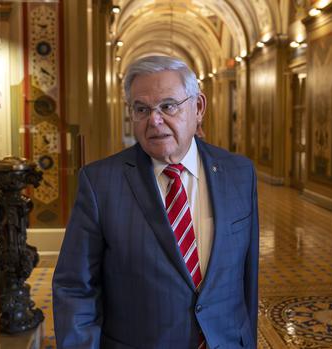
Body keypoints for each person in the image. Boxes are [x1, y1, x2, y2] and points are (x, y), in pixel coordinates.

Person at [52, 55, 259, 349]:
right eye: (142, 109)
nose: (155, 120)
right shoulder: (100, 183)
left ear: (198, 107)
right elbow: (75, 287)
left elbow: (247, 280)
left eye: (168, 106)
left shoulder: (239, 173)